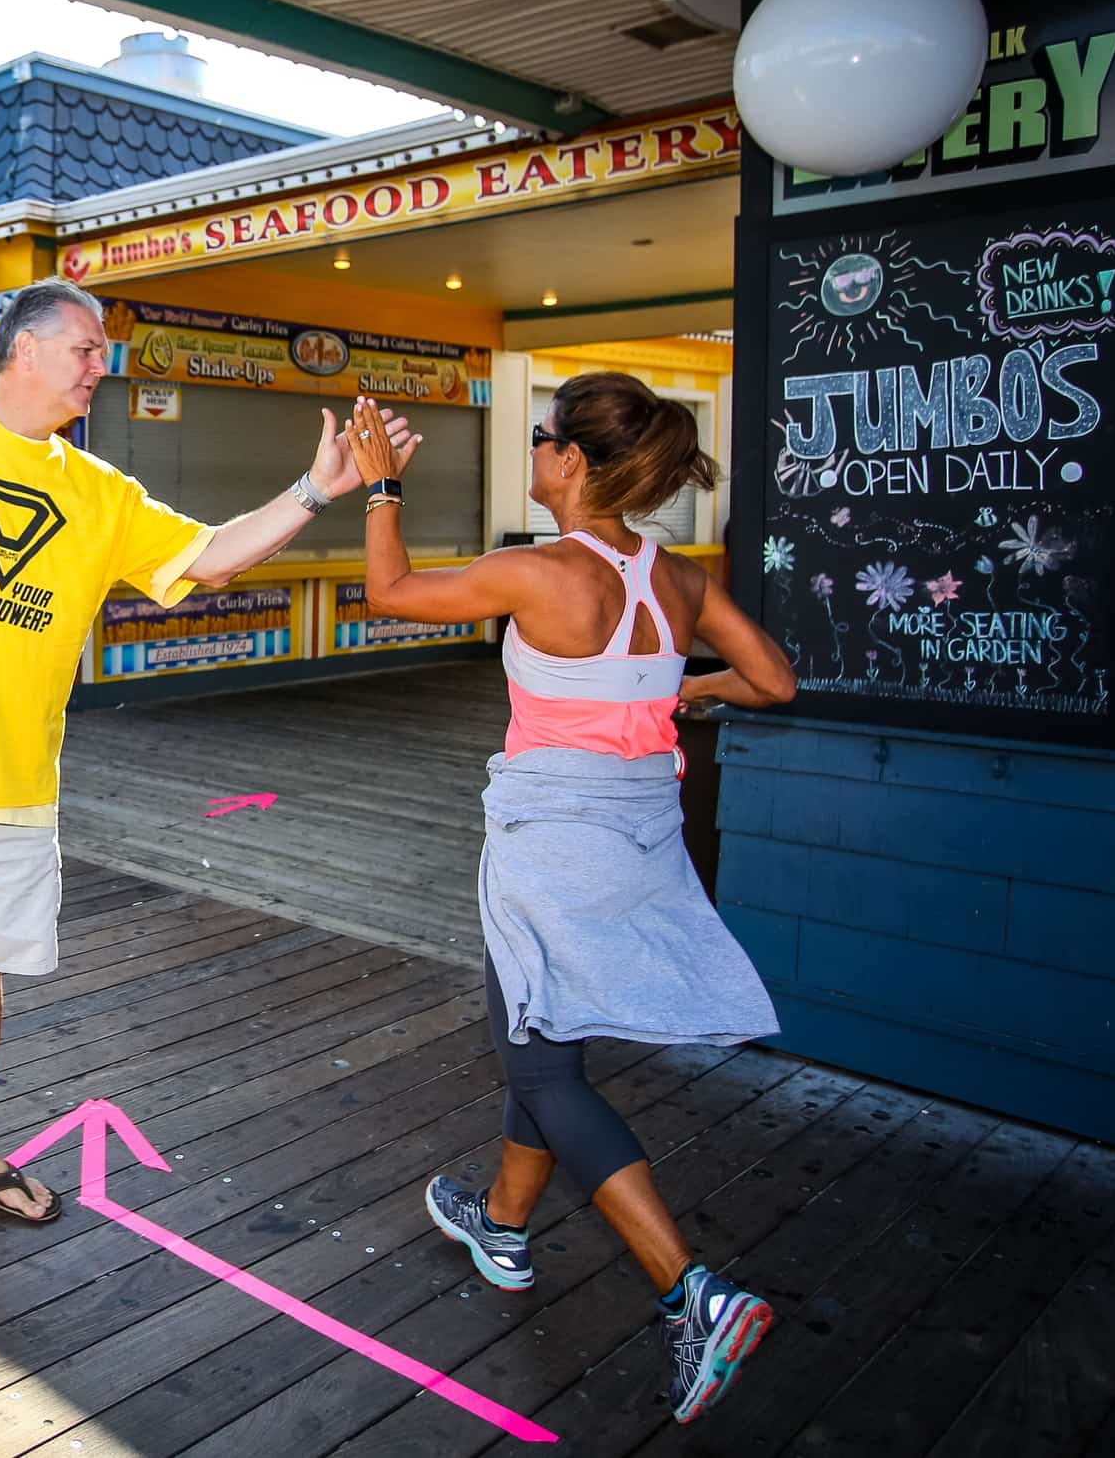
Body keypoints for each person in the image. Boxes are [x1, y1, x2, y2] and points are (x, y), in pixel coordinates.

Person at [0, 278, 416, 1275]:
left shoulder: (97, 492)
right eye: (85, 348)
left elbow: (209, 557)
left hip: (13, 785)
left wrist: (315, 489)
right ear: (22, 349)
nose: (102, 364)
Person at [341, 374, 797, 1426]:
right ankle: (500, 1222)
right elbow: (772, 678)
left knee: (539, 1062)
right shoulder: (672, 578)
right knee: (538, 1032)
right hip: (641, 837)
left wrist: (379, 488)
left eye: (543, 437)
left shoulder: (536, 571)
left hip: (551, 842)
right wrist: (687, 683)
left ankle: (691, 1288)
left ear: (573, 464)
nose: (535, 449)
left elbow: (391, 593)